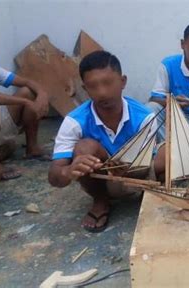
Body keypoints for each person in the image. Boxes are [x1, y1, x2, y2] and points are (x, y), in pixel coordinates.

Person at [48, 51, 164, 232]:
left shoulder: (145, 117)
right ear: (85, 89)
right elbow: (54, 177)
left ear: (123, 81)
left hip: (136, 173)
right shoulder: (74, 122)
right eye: (93, 86)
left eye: (108, 83)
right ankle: (101, 201)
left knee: (169, 153)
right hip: (100, 178)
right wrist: (69, 170)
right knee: (85, 147)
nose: (102, 92)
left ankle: (149, 194)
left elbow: (145, 164)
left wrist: (128, 167)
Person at [0, 26, 49, 204]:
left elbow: (27, 81)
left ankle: (32, 148)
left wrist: (41, 94)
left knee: (28, 91)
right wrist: (26, 103)